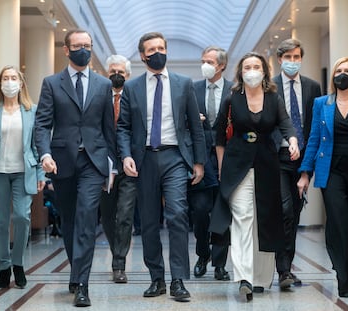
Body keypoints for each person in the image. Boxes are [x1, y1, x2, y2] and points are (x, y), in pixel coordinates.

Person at [117, 32, 206, 302]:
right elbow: (123, 128)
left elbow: (195, 126)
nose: (157, 52)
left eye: (161, 48)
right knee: (148, 220)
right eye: (151, 49)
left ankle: (178, 279)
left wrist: (199, 161)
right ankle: (157, 277)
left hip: (175, 157)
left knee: (178, 214)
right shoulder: (132, 88)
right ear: (143, 55)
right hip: (144, 159)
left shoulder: (183, 84)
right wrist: (125, 156)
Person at [34, 29, 117, 307]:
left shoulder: (103, 85)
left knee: (85, 218)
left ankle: (82, 283)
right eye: (78, 45)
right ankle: (76, 268)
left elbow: (109, 129)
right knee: (69, 221)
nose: (84, 49)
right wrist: (44, 154)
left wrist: (113, 166)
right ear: (67, 50)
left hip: (93, 161)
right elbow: (43, 123)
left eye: (88, 45)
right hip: (62, 161)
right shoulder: (51, 83)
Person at [209, 52, 300, 301]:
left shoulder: (273, 98)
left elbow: (286, 124)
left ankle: (260, 278)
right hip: (237, 167)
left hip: (267, 166)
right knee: (242, 218)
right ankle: (244, 278)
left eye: (256, 66)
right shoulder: (231, 100)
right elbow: (219, 137)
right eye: (247, 66)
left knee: (265, 220)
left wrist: (292, 140)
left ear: (264, 71)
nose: (251, 70)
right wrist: (221, 168)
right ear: (240, 72)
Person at [0, 65, 45, 289]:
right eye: (6, 78)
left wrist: (42, 172)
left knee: (22, 218)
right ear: (0, 83)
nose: (10, 82)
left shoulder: (31, 110)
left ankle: (18, 264)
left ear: (21, 83)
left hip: (24, 172)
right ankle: (4, 268)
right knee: (2, 223)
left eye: (13, 78)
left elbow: (37, 145)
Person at [297, 57, 348, 298]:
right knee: (339, 222)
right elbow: (313, 138)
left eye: (347, 71)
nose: (342, 74)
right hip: (331, 171)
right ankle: (343, 277)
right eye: (338, 70)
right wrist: (305, 173)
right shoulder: (321, 103)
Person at [272, 38, 321, 289]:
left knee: (295, 213)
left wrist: (307, 172)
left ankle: (286, 268)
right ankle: (282, 270)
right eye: (288, 57)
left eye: (296, 57)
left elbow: (315, 130)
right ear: (280, 59)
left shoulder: (313, 87)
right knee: (285, 211)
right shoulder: (269, 86)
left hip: (303, 159)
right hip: (278, 158)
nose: (292, 62)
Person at [189, 46, 232, 281]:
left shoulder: (234, 89)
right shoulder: (192, 89)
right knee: (200, 212)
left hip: (227, 160)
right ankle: (202, 254)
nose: (205, 64)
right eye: (203, 60)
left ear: (221, 65)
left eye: (210, 61)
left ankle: (220, 263)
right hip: (201, 161)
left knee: (222, 214)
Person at [99, 54, 137, 283]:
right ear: (107, 73)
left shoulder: (133, 97)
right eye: (113, 71)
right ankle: (117, 252)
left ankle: (119, 264)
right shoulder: (100, 96)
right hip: (104, 166)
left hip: (129, 164)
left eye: (121, 72)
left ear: (128, 75)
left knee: (125, 215)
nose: (116, 75)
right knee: (107, 215)